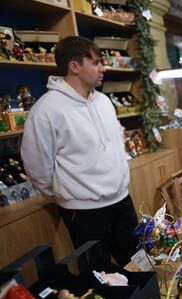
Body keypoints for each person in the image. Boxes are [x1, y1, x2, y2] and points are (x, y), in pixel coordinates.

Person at [21, 36, 138, 265]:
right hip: (84, 212)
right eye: (95, 62)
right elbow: (37, 167)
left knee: (140, 264)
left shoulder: (103, 101)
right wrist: (67, 194)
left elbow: (115, 145)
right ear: (74, 66)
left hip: (121, 200)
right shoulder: (46, 110)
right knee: (99, 276)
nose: (102, 67)